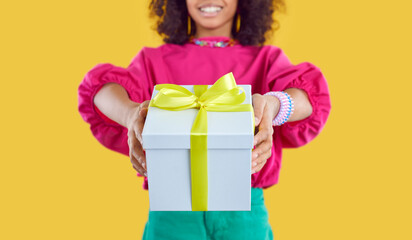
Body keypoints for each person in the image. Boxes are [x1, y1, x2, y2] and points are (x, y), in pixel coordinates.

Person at [77, 0, 331, 239]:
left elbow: (309, 99)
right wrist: (130, 112)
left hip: (245, 212)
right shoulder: (153, 59)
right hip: (170, 214)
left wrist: (274, 105)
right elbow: (100, 92)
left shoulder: (266, 58)